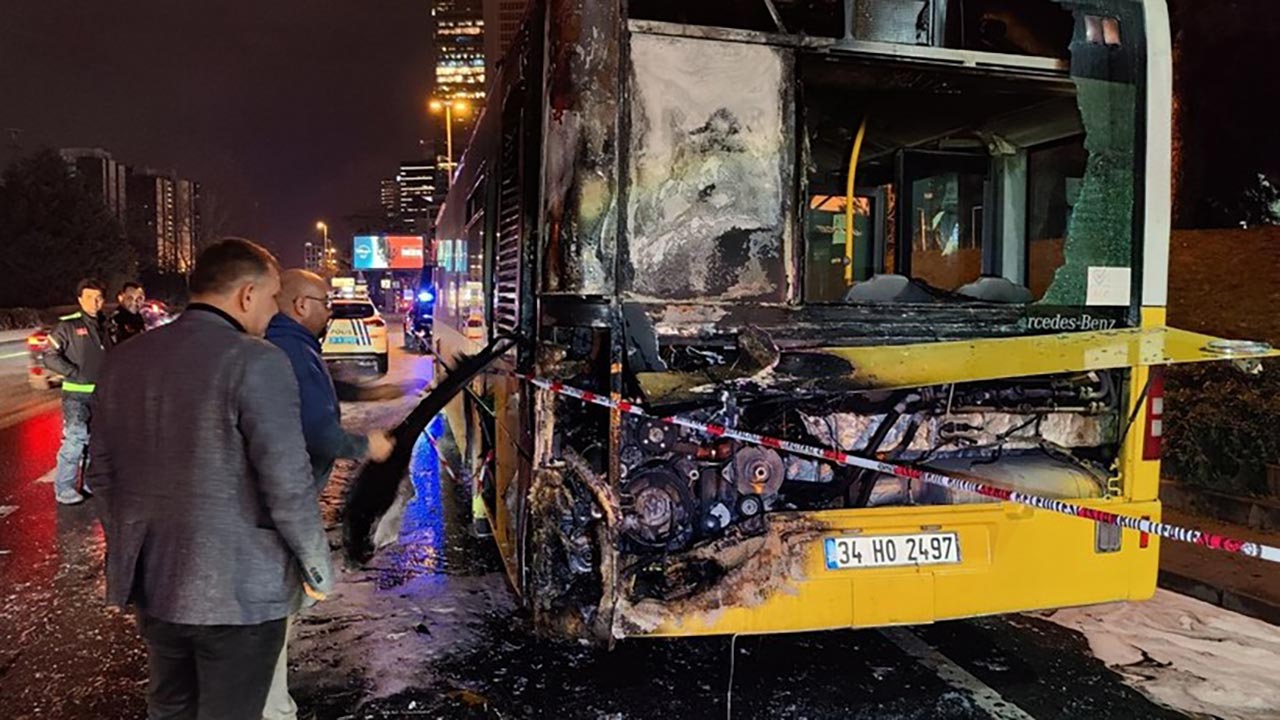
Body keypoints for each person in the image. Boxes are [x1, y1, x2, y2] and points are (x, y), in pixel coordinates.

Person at [88, 238, 334, 719]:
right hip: (240, 593)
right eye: (269, 300)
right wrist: (316, 568)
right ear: (247, 295)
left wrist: (131, 547)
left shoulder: (124, 359)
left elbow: (102, 474)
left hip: (156, 585)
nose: (271, 315)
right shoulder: (257, 361)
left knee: (171, 707)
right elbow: (286, 483)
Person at [261, 268, 393, 720]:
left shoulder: (282, 345)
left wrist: (354, 389)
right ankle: (272, 709)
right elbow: (317, 432)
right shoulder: (293, 348)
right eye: (325, 304)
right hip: (277, 508)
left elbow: (311, 392)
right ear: (301, 306)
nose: (330, 313)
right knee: (271, 621)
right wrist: (365, 447)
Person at [44, 278, 108, 505]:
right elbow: (49, 355)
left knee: (97, 442)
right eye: (89, 297)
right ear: (80, 299)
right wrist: (71, 371)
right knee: (75, 439)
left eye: (99, 298)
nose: (94, 302)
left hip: (101, 395)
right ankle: (64, 488)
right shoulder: (68, 326)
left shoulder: (106, 325)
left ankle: (90, 483)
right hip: (76, 395)